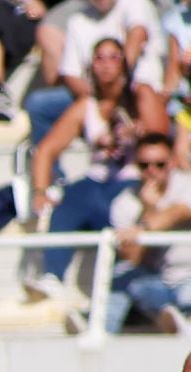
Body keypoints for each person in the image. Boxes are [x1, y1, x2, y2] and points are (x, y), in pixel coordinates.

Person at [28, 39, 142, 300]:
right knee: (72, 198)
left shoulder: (139, 98)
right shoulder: (86, 106)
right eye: (99, 58)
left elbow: (159, 132)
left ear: (124, 63)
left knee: (123, 208)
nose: (105, 65)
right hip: (98, 181)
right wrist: (40, 191)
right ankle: (53, 276)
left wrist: (136, 133)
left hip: (132, 179)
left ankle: (125, 279)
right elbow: (46, 150)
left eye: (113, 57)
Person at [26, 0, 166, 144]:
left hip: (135, 90)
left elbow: (137, 35)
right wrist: (98, 97)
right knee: (39, 104)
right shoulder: (77, 20)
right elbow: (70, 74)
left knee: (144, 93)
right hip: (93, 94)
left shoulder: (135, 4)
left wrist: (118, 87)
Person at [107, 132, 191, 330]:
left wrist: (143, 224)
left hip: (189, 277)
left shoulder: (187, 185)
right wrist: (147, 210)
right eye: (144, 165)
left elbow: (177, 213)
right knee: (126, 282)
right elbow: (133, 259)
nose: (152, 171)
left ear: (171, 162)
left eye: (159, 164)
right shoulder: (124, 202)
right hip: (158, 282)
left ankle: (179, 322)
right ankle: (100, 333)